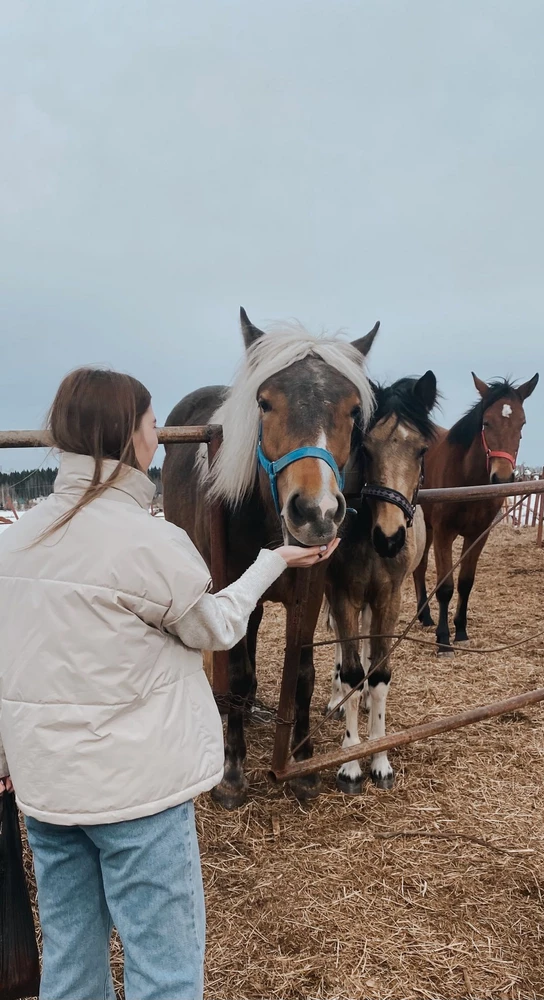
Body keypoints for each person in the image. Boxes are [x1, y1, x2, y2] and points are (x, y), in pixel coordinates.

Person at [0, 367, 339, 1000]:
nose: (159, 436)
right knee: (166, 971)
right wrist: (273, 561)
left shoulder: (15, 545)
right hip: (138, 800)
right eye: (152, 424)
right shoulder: (152, 543)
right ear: (127, 436)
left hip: (48, 795)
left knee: (70, 963)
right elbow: (216, 627)